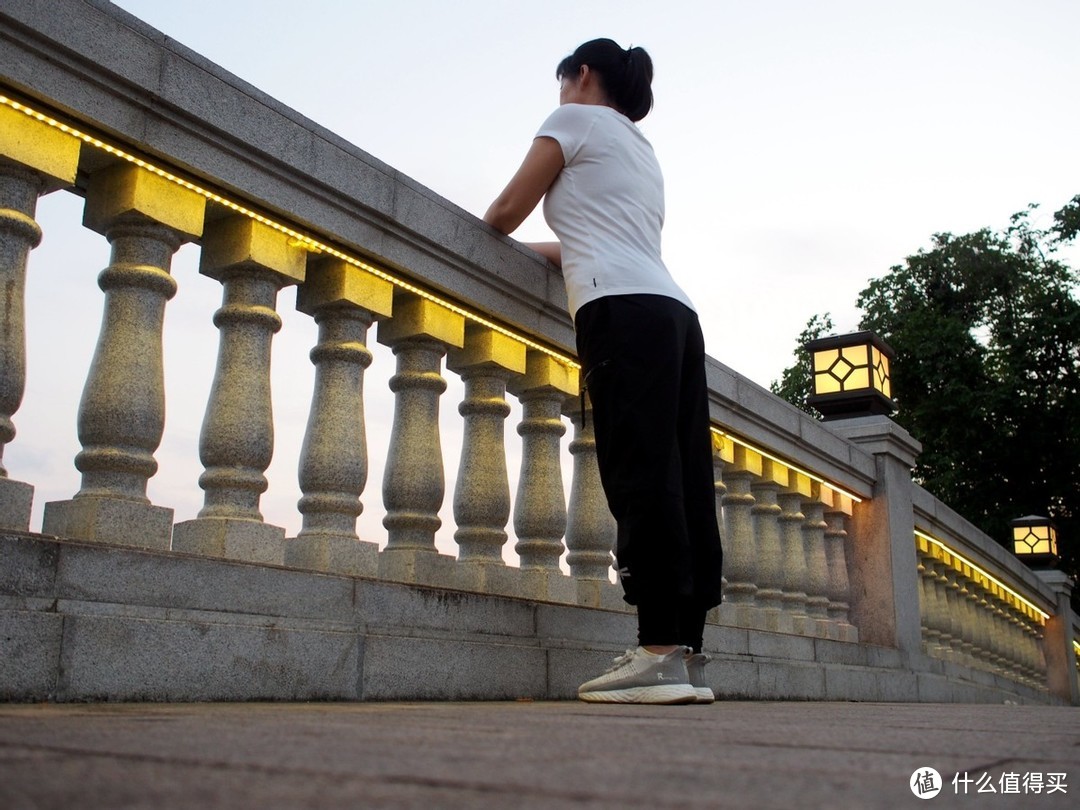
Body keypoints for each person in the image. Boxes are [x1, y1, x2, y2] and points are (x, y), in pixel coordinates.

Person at [483, 38, 724, 705]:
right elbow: (589, 239)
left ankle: (654, 652)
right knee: (682, 475)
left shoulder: (573, 119)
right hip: (675, 312)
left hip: (621, 312)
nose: (558, 93)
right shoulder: (640, 149)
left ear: (580, 75)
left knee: (639, 472)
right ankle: (687, 651)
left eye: (562, 81)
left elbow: (504, 214)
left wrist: (481, 234)